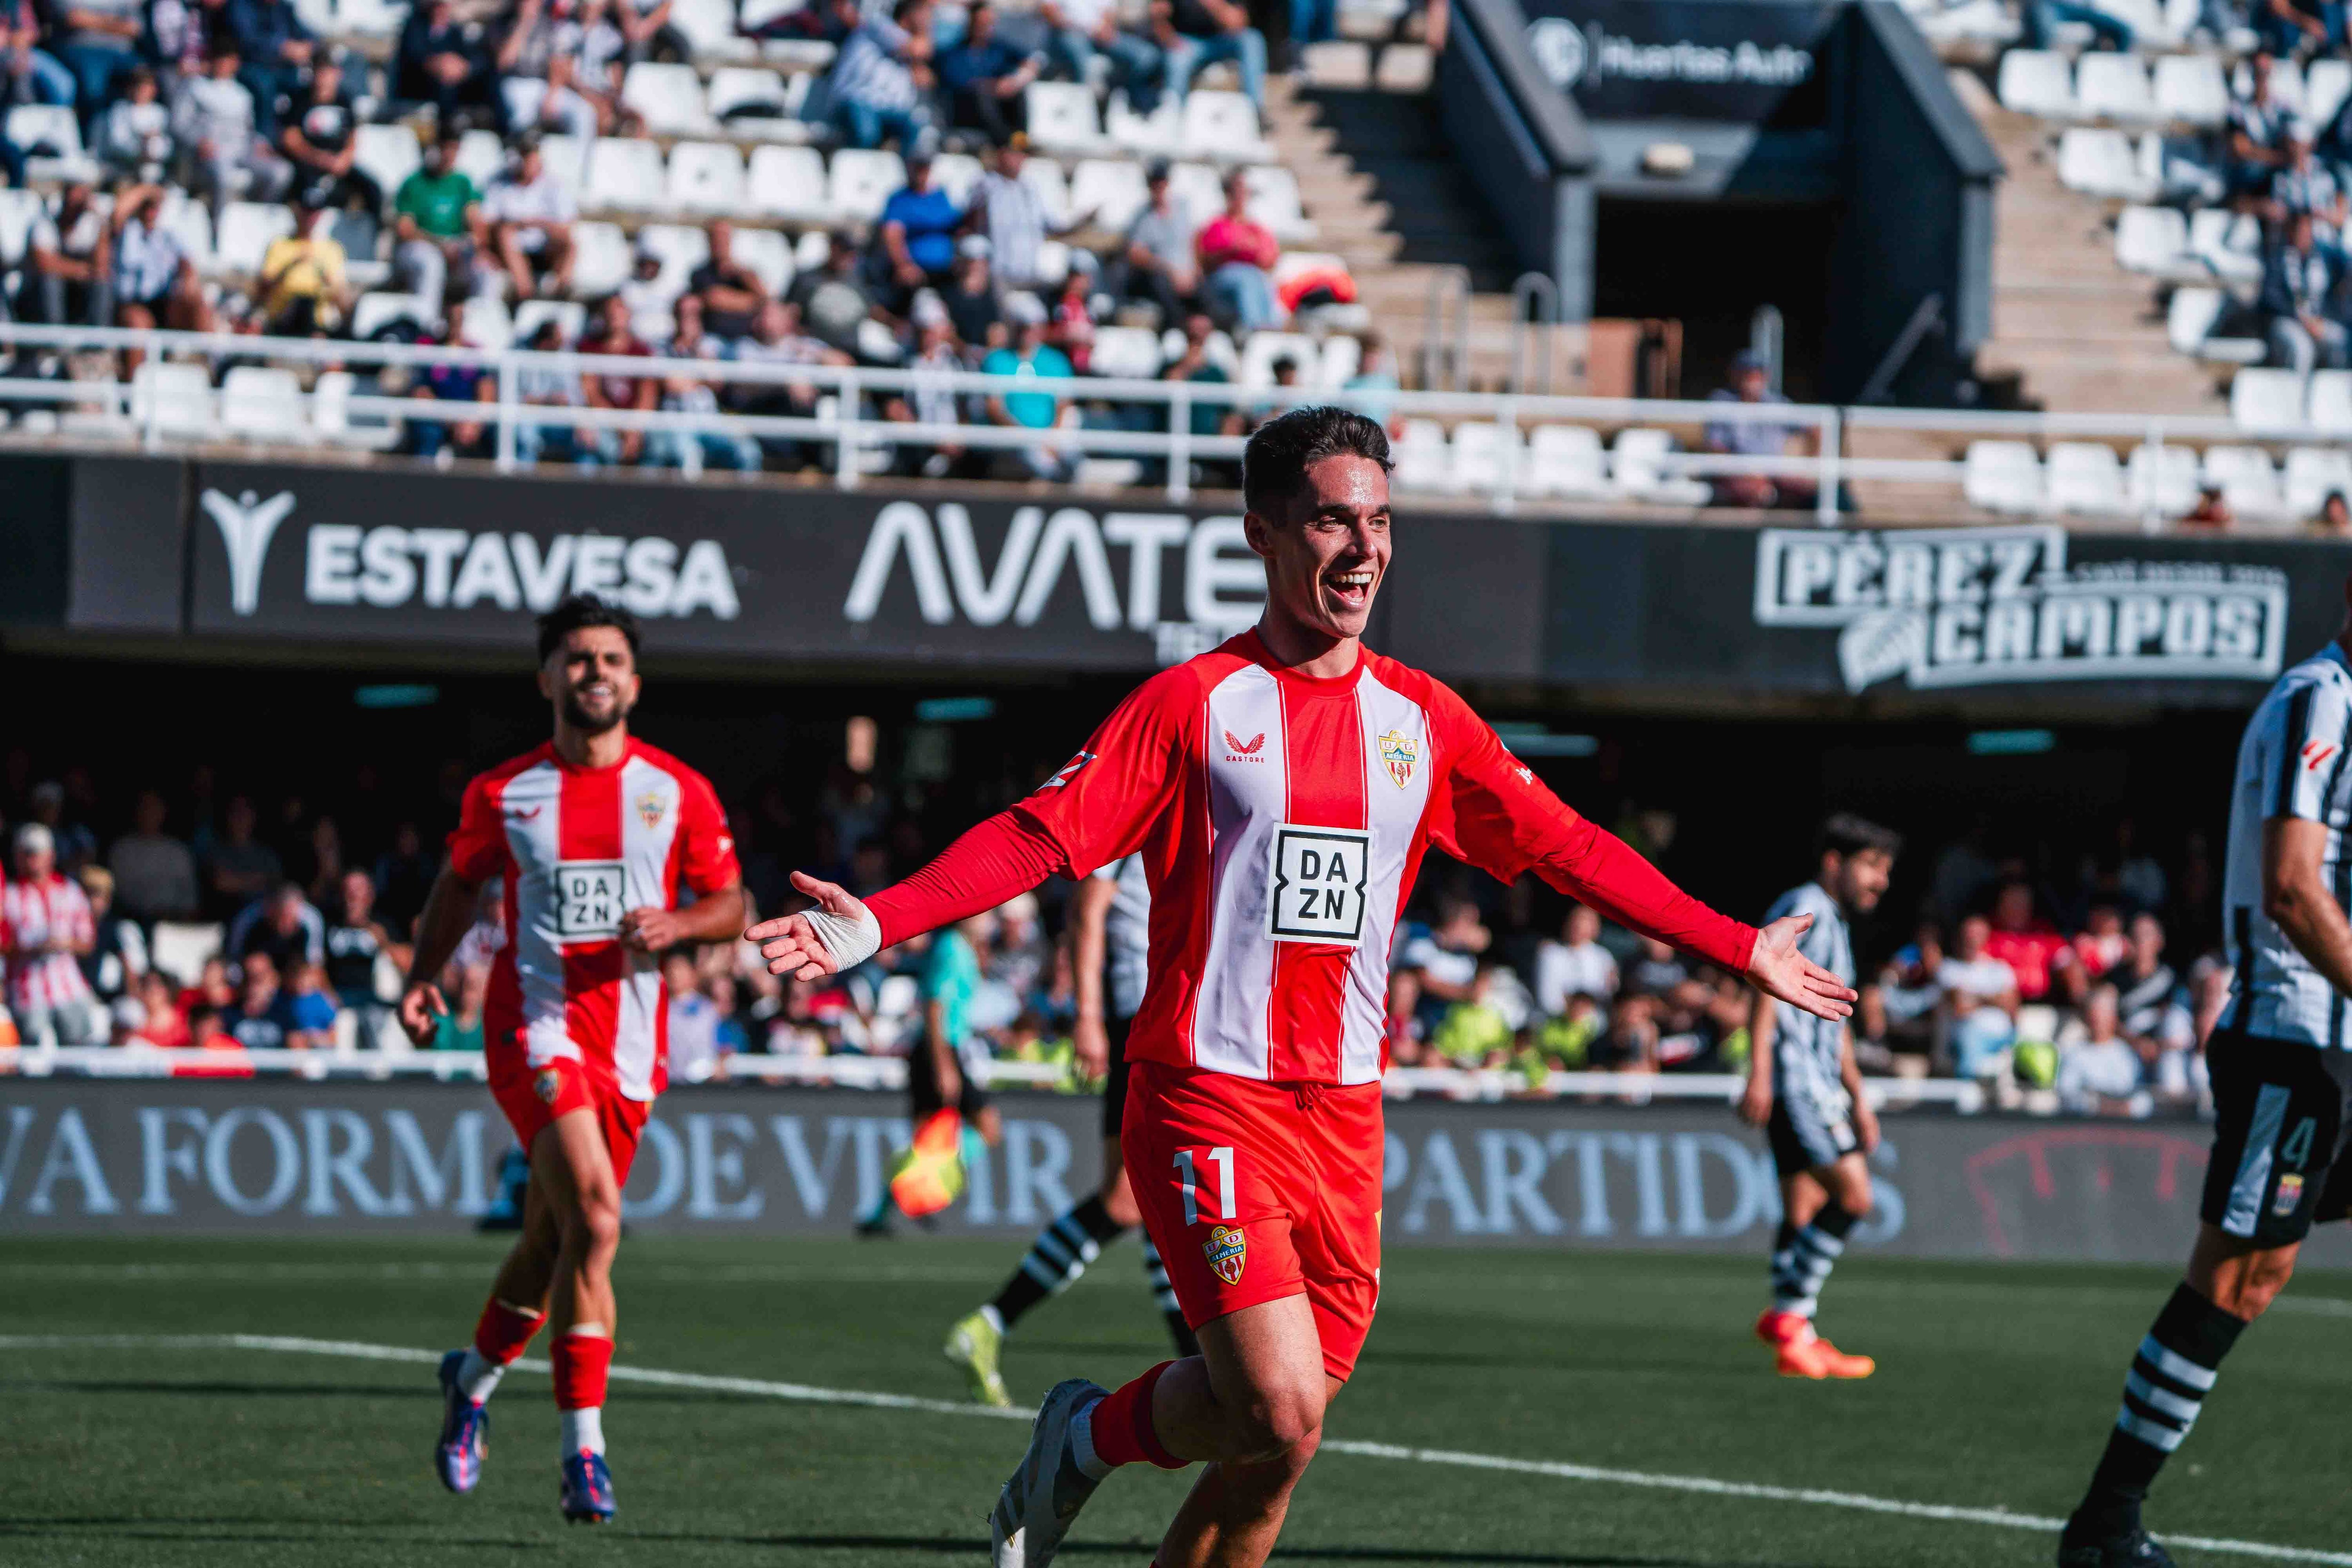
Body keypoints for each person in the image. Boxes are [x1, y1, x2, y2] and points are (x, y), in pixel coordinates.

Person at [747, 404, 1852, 1568]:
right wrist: (882, 918)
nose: (1363, 548)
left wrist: (1738, 946)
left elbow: (1568, 846)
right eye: (1332, 521)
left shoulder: (1424, 723)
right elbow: (1044, 834)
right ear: (1262, 536)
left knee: (1278, 1438)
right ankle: (1082, 1439)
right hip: (1204, 1094)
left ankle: (1081, 1433)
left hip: (1345, 1116)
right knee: (1275, 1408)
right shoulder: (1194, 704)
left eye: (1379, 522)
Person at [406, 592, 744, 1524]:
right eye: (578, 659)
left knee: (556, 1238)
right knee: (598, 1220)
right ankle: (582, 1453)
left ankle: (470, 1382)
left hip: (632, 1045)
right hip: (536, 1029)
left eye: (610, 659)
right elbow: (458, 882)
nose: (594, 672)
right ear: (547, 676)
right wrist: (425, 973)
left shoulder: (676, 790)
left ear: (634, 682)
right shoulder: (506, 792)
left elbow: (731, 901)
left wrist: (679, 923)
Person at [2055, 572, 2352, 1568]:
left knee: (2252, 1271)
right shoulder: (2323, 697)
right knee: (2239, 1276)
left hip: (2336, 1042)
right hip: (2294, 1036)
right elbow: (2292, 888)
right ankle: (2105, 1521)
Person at [946, 851, 1200, 1408]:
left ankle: (1198, 1362)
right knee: (1140, 1196)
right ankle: (1200, 1363)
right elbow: (1090, 905)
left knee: (1148, 1196)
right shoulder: (1142, 800)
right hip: (1147, 1013)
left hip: (1161, 1010)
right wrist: (1088, 1014)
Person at [1738, 813, 1899, 1380]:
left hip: (1815, 1083)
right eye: (1872, 866)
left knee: (1803, 1210)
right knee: (1855, 1198)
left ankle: (1794, 1335)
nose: (1880, 881)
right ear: (1835, 862)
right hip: (1797, 1081)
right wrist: (1758, 1070)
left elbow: (1834, 1019)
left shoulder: (1830, 917)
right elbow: (1763, 986)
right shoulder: (1805, 906)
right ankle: (1790, 1318)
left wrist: (1857, 1095)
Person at [858, 910, 1006, 1233]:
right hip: (938, 1048)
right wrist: (944, 1065)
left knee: (925, 1139)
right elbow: (935, 1004)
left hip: (943, 1048)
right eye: (986, 915)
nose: (990, 920)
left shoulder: (961, 948)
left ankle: (886, 1211)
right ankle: (914, 1193)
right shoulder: (951, 947)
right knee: (985, 1126)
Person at [4, 823, 103, 1046]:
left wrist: (65, 943)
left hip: (69, 989)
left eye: (37, 853)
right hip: (28, 993)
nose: (33, 859)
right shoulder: (8, 896)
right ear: (17, 857)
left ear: (51, 855)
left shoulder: (70, 891)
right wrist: (32, 949)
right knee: (35, 1056)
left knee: (79, 1051)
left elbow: (88, 942)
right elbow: (4, 945)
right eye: (27, 853)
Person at [175, 41, 295, 218]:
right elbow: (178, 124)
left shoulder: (243, 95)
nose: (223, 64)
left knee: (281, 172)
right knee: (223, 176)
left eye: (228, 60)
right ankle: (218, 226)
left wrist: (261, 143)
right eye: (219, 59)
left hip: (241, 151)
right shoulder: (195, 87)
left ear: (235, 63)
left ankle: (255, 218)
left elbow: (249, 130)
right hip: (208, 155)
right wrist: (198, 141)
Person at [1702, 348, 1817, 511]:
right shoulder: (1722, 401)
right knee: (1756, 492)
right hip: (1737, 472)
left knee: (1806, 490)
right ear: (1734, 375)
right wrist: (1747, 473)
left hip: (1774, 470)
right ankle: (1748, 534)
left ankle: (1787, 530)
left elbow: (1814, 430)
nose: (1753, 379)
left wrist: (1809, 467)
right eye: (1747, 373)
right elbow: (1716, 449)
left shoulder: (1776, 402)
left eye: (1758, 373)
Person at [982, 294, 1075, 480]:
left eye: (1031, 327)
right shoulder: (996, 360)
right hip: (1014, 439)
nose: (1027, 333)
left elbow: (1064, 405)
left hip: (1050, 436)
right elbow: (994, 408)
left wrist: (1051, 438)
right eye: (1022, 327)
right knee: (1042, 465)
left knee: (1073, 461)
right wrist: (1025, 436)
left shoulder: (1056, 362)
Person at [393, 129, 488, 308]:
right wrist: (441, 244)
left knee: (486, 271)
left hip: (455, 248)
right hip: (419, 247)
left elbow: (477, 224)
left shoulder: (463, 183)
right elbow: (405, 230)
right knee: (432, 263)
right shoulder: (415, 182)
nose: (449, 154)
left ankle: (478, 327)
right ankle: (426, 325)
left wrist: (471, 246)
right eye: (445, 148)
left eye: (454, 149)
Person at [826, 0, 932, 151]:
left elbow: (925, 80)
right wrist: (925, 31)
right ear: (909, 13)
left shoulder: (905, 48)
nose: (929, 19)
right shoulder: (878, 24)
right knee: (867, 134)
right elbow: (920, 49)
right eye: (925, 14)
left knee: (918, 130)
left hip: (889, 110)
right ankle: (857, 172)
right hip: (855, 99)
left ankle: (905, 174)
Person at [486, 138, 580, 300]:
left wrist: (537, 223)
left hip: (545, 248)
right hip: (512, 250)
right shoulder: (499, 183)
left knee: (570, 243)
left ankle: (561, 290)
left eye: (532, 156)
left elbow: (567, 225)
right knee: (505, 233)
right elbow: (488, 222)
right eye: (525, 156)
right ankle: (525, 292)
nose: (528, 162)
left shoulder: (555, 185)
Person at [281, 60, 379, 215]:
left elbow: (353, 135)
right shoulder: (300, 99)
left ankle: (372, 233)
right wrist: (319, 158)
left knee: (372, 189)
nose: (324, 78)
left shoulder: (345, 100)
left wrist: (345, 159)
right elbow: (290, 139)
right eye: (321, 72)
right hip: (308, 163)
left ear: (338, 74)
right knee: (311, 194)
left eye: (329, 72)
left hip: (338, 162)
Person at [939, 1, 1041, 144]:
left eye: (989, 23)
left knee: (1018, 93)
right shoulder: (954, 53)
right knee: (982, 95)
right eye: (981, 23)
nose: (985, 28)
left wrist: (1015, 82)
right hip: (966, 111)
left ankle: (1020, 140)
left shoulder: (1000, 48)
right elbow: (960, 83)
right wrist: (994, 86)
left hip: (998, 108)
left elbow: (1031, 62)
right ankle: (1005, 144)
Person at [875, 147, 962, 310]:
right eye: (918, 167)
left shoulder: (942, 197)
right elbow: (893, 235)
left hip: (945, 272)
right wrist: (904, 265)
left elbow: (958, 229)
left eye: (926, 167)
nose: (922, 172)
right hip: (916, 271)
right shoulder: (900, 200)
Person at [326, 867, 404, 1045]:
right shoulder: (330, 924)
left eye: (358, 890)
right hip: (341, 1004)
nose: (352, 896)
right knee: (344, 1028)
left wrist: (384, 943)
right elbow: (317, 965)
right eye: (348, 890)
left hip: (378, 1004)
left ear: (370, 896)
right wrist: (329, 994)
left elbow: (408, 964)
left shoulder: (384, 925)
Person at [1195, 167, 1279, 333]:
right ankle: (1255, 327)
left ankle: (1272, 327)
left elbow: (1269, 258)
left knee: (1259, 280)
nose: (1240, 197)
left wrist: (1249, 250)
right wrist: (1233, 249)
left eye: (1243, 192)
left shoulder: (1256, 228)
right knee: (1245, 278)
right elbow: (1205, 259)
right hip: (1221, 281)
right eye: (1236, 192)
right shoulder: (1217, 225)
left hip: (1254, 276)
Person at [580, 291, 660, 466]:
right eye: (610, 311)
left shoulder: (642, 351)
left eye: (619, 310)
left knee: (658, 448)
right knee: (596, 445)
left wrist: (633, 431)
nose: (614, 315)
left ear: (629, 314)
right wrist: (619, 427)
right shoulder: (590, 347)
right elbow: (591, 393)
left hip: (636, 424)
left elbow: (648, 396)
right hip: (604, 421)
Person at [2261, 211, 2345, 376]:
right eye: (2300, 229)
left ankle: (2334, 397)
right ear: (2290, 232)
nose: (2304, 234)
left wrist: (2322, 320)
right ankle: (2295, 397)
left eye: (2307, 229)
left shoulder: (2326, 257)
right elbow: (2270, 300)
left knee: (2341, 342)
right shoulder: (2277, 260)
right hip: (2287, 321)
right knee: (2301, 349)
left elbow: (2339, 287)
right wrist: (2302, 318)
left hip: (2320, 320)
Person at [1112, 160, 1197, 324]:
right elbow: (1135, 253)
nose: (1159, 186)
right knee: (1161, 284)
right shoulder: (1142, 217)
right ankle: (1178, 327)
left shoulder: (1183, 208)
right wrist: (1169, 271)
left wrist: (1192, 271)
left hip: (1184, 275)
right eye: (1154, 182)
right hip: (1157, 276)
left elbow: (1193, 243)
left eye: (1162, 181)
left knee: (1203, 292)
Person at [396, 0, 502, 129]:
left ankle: (501, 130)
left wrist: (463, 68)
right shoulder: (415, 27)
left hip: (454, 85)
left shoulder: (456, 33)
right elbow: (413, 57)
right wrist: (438, 64)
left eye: (445, 7)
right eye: (438, 6)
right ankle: (446, 130)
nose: (441, 11)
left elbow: (474, 60)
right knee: (444, 83)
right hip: (421, 87)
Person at [19, 181, 112, 328]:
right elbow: (45, 263)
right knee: (50, 280)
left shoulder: (93, 222)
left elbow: (101, 267)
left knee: (103, 282)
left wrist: (102, 223)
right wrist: (81, 270)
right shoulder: (46, 219)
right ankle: (54, 340)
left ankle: (97, 343)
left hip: (80, 291)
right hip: (41, 295)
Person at [256, 196, 351, 335]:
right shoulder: (279, 245)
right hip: (281, 321)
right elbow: (261, 292)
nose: (309, 217)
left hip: (318, 326)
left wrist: (326, 278)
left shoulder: (333, 249)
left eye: (314, 212)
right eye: (306, 211)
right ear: (297, 211)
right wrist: (290, 267)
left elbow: (344, 303)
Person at [224, 0, 315, 138]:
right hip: (250, 65)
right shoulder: (240, 6)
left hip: (280, 68)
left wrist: (308, 45)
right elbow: (248, 40)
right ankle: (264, 140)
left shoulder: (283, 8)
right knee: (265, 87)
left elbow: (306, 33)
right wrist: (283, 48)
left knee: (302, 85)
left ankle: (296, 137)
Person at [1154, 0, 1266, 110]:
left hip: (1223, 41)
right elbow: (1158, 16)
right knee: (1177, 59)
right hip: (1187, 43)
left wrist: (1214, 5)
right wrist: (1170, 39)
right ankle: (1174, 113)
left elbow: (1238, 24)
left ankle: (1254, 110)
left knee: (1252, 39)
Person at [108, 789, 198, 925]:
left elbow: (190, 900)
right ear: (137, 811)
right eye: (145, 807)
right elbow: (118, 896)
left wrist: (175, 917)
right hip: (131, 923)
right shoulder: (122, 850)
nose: (149, 813)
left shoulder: (178, 851)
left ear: (164, 812)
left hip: (174, 924)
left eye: (154, 807)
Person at [1533, 902, 1616, 1017]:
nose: (1578, 925)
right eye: (1575, 919)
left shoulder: (1604, 957)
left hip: (1595, 1022)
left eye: (1586, 920)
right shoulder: (1550, 953)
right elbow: (1548, 999)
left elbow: (1606, 996)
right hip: (1555, 1021)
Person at [93, 66, 174, 183]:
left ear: (154, 90)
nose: (142, 92)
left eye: (146, 88)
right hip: (122, 167)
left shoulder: (161, 113)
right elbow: (117, 142)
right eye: (138, 87)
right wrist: (140, 150)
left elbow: (168, 145)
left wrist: (152, 149)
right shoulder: (120, 109)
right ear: (129, 88)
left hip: (154, 168)